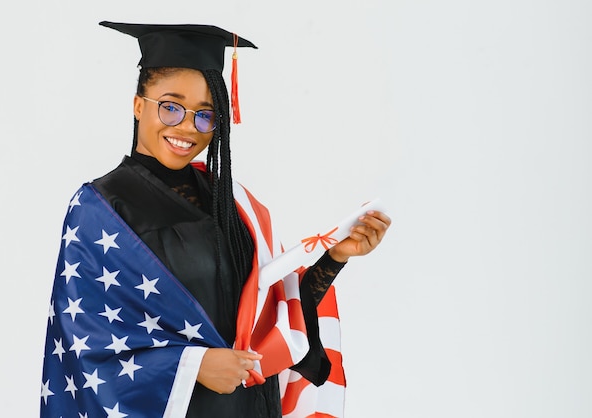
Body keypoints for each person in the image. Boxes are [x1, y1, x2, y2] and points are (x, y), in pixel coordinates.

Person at [40, 21, 391, 418]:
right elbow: (87, 347)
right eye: (171, 107)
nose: (188, 127)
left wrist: (336, 257)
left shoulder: (230, 202)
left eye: (205, 115)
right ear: (139, 104)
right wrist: (192, 366)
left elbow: (270, 318)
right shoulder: (101, 208)